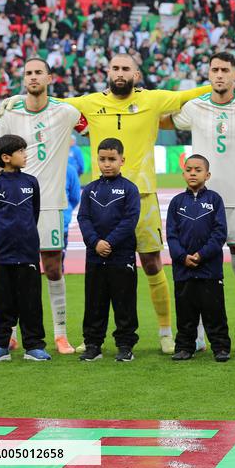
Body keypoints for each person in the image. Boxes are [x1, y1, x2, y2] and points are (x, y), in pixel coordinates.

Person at [0, 52, 219, 353]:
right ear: (107, 71)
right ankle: (94, 339)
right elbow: (48, 101)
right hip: (101, 199)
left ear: (136, 75)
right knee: (101, 268)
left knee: (153, 263)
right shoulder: (88, 103)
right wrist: (13, 99)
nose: (119, 73)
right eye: (115, 68)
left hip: (142, 194)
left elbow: (189, 94)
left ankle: (167, 333)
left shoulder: (153, 100)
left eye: (126, 68)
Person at [167, 53, 235, 355]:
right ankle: (197, 336)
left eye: (226, 70)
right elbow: (163, 118)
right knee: (195, 267)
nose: (220, 74)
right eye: (215, 70)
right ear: (208, 74)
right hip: (200, 201)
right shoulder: (195, 107)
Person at [0, 58, 81, 354]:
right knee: (13, 269)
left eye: (38, 72)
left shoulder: (66, 111)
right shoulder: (8, 112)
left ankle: (60, 334)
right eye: (28, 73)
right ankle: (10, 334)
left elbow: (91, 121)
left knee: (53, 267)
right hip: (13, 206)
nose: (32, 77)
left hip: (51, 204)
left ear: (49, 77)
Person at [0, 134, 48, 362]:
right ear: (6, 157)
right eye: (21, 151)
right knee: (1, 303)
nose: (25, 155)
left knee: (31, 302)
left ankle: (34, 346)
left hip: (28, 253)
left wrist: (26, 238)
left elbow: (34, 214)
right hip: (1, 256)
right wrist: (2, 241)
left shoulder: (31, 183)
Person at [76, 138, 141, 362]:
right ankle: (93, 345)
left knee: (124, 304)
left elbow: (130, 220)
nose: (107, 164)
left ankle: (125, 345)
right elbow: (83, 217)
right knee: (94, 303)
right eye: (102, 159)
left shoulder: (129, 189)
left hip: (121, 257)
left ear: (122, 160)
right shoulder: (90, 190)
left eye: (112, 159)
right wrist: (95, 242)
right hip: (95, 257)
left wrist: (110, 242)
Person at [167, 155, 231, 363]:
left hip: (209, 269)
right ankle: (185, 347)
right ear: (184, 173)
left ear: (207, 174)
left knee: (215, 311)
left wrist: (202, 255)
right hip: (183, 270)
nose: (193, 173)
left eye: (198, 170)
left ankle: (220, 347)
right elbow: (171, 235)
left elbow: (219, 233)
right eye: (189, 169)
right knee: (185, 313)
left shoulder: (215, 200)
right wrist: (182, 256)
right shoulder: (177, 202)